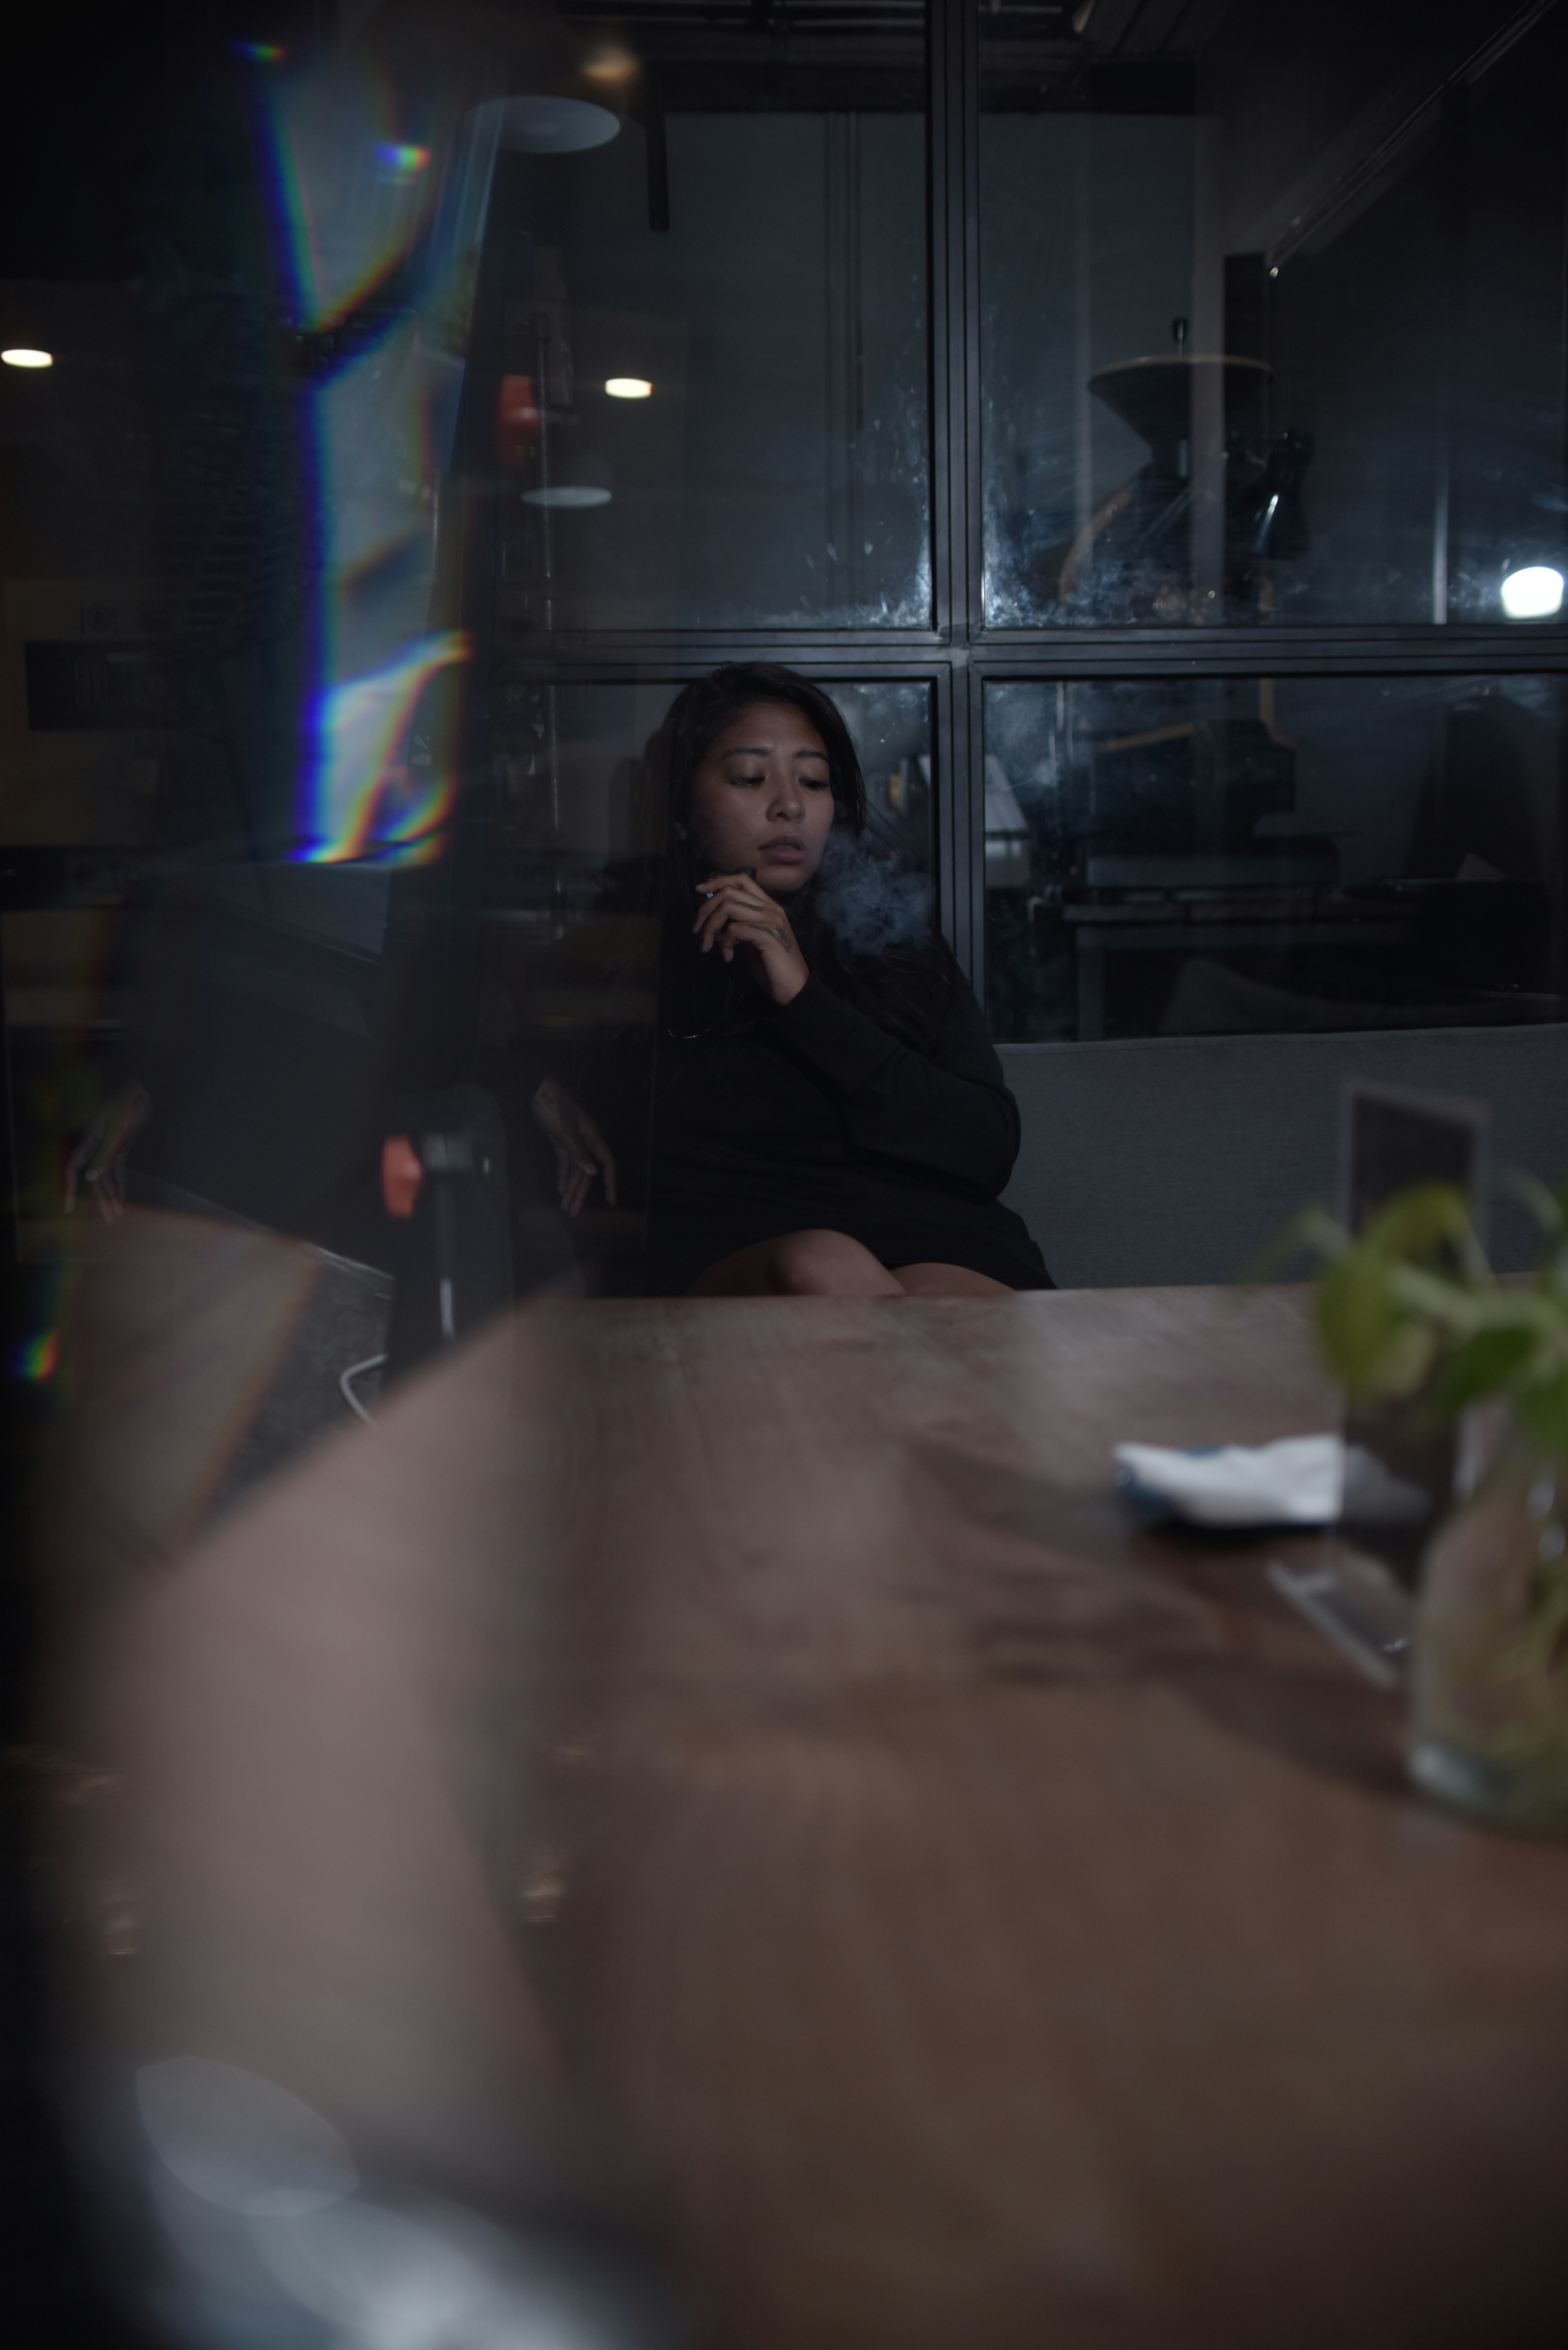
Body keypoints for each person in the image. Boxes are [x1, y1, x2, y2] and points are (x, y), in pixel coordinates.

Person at [546, 663, 1051, 1298]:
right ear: (680, 810)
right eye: (749, 778)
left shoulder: (895, 946)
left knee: (952, 1305)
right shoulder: (629, 951)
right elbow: (443, 1053)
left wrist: (803, 998)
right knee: (824, 1265)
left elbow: (986, 1150)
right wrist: (533, 1088)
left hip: (931, 1239)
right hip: (734, 1249)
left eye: (812, 780)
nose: (789, 804)